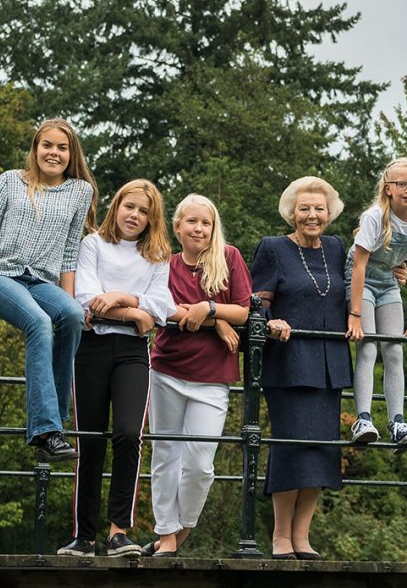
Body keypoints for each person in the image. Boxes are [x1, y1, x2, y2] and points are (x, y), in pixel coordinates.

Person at [0, 118, 96, 463]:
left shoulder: (80, 192)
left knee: (70, 314)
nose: (54, 153)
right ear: (35, 149)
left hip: (41, 281)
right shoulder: (9, 181)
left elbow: (69, 252)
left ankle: (53, 411)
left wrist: (70, 299)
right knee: (38, 323)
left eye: (61, 147)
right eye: (47, 145)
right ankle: (47, 431)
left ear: (71, 153)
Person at [60, 179, 176, 558]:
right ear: (117, 206)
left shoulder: (158, 256)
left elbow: (162, 308)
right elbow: (88, 301)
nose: (135, 216)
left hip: (132, 353)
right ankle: (84, 536)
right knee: (89, 440)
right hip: (90, 349)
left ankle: (118, 533)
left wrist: (125, 298)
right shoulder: (93, 244)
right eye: (130, 207)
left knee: (128, 434)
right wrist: (136, 313)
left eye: (144, 211)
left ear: (151, 218)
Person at [141, 194, 252, 558]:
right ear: (177, 226)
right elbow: (165, 309)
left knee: (201, 464)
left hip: (213, 376)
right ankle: (167, 535)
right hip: (167, 369)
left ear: (213, 227)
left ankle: (183, 528)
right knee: (165, 454)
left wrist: (211, 309)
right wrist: (217, 320)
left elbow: (246, 311)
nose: (199, 228)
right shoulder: (165, 264)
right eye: (192, 222)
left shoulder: (229, 258)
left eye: (205, 223)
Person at [250, 176, 351, 561]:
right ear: (292, 212)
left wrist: (390, 274)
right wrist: (270, 321)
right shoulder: (273, 248)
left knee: (322, 450)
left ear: (330, 213)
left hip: (330, 363)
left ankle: (302, 536)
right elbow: (255, 301)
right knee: (291, 446)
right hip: (289, 361)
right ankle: (279, 537)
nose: (312, 215)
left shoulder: (337, 247)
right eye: (304, 208)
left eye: (319, 208)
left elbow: (356, 283)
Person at [345, 157, 407, 450]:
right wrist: (355, 314)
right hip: (361, 279)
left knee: (395, 350)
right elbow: (359, 265)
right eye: (402, 184)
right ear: (388, 188)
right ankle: (362, 419)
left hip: (388, 282)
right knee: (369, 345)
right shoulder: (375, 216)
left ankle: (397, 422)